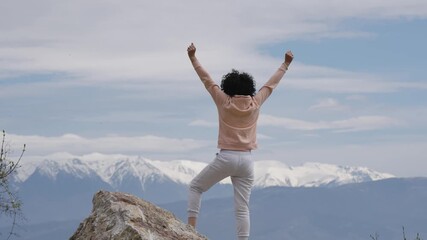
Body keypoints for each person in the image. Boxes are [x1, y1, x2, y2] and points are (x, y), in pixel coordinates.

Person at [187, 43, 294, 240]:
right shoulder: (256, 102)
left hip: (226, 156)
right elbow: (271, 85)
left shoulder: (223, 101)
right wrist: (285, 64)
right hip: (246, 161)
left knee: (196, 187)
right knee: (242, 209)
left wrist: (193, 57)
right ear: (250, 88)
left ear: (227, 88)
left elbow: (207, 80)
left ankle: (190, 232)